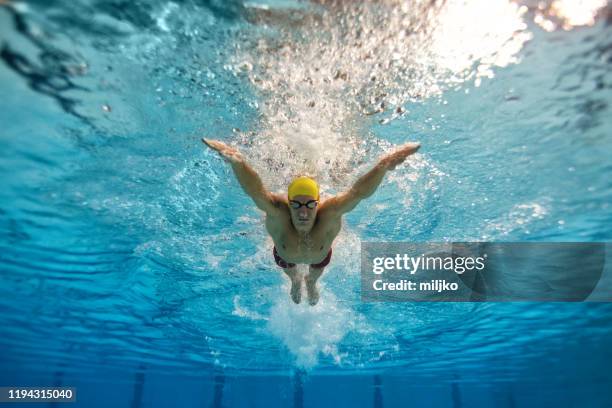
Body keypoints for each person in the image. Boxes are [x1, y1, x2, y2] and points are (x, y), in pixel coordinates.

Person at [203, 138, 420, 305]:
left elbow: (357, 193)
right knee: (290, 271)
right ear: (289, 203)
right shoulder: (279, 213)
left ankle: (311, 283)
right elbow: (256, 192)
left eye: (309, 205)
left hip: (320, 257)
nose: (303, 212)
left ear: (318, 202)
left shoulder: (330, 213)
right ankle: (296, 281)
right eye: (296, 204)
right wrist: (237, 162)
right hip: (284, 257)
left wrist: (383, 165)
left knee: (315, 272)